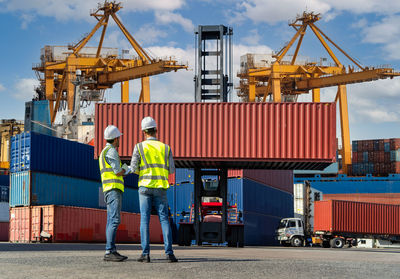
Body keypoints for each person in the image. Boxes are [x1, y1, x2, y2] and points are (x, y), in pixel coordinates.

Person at [130, 116, 178, 263]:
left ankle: (145, 254)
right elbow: (171, 170)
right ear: (156, 130)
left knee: (144, 219)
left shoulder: (139, 147)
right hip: (160, 188)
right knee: (164, 219)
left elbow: (133, 168)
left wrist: (143, 172)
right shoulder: (166, 148)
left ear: (143, 132)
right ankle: (169, 253)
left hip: (144, 187)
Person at [99, 125, 131, 262]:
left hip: (108, 188)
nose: (119, 140)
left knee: (110, 220)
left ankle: (111, 250)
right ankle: (109, 251)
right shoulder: (111, 151)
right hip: (113, 189)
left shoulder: (103, 152)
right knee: (114, 220)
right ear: (116, 138)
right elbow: (118, 171)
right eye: (119, 137)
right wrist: (127, 168)